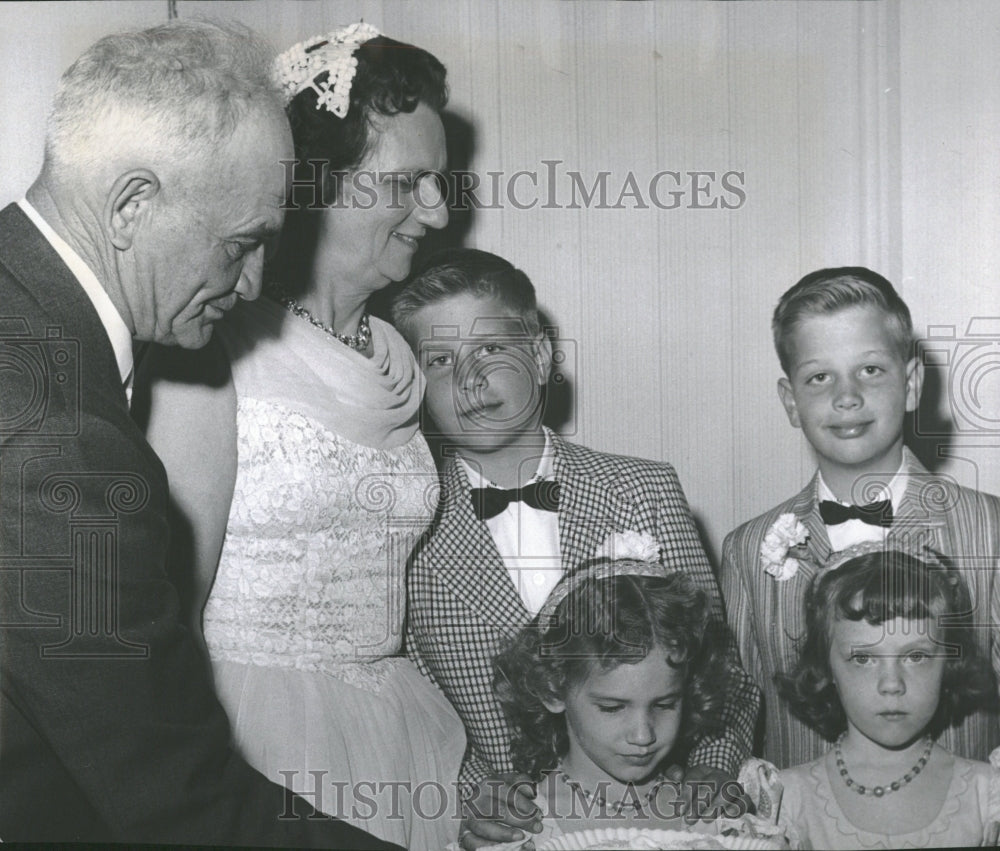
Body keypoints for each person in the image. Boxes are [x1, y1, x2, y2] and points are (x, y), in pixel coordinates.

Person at [0, 20, 397, 848]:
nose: (253, 282)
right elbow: (183, 805)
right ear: (132, 205)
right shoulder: (58, 443)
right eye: (242, 244)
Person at [139, 23, 463, 850]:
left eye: (439, 182)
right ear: (314, 185)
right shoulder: (215, 348)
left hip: (398, 730)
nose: (437, 208)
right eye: (409, 182)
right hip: (257, 736)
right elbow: (164, 608)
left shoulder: (396, 354)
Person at [391, 248, 760, 847]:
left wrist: (715, 769)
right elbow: (418, 713)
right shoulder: (410, 527)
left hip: (667, 818)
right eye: (439, 360)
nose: (469, 380)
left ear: (539, 357)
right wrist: (471, 800)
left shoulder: (643, 489)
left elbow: (725, 674)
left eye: (489, 349)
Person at [718, 267, 1000, 769]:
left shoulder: (989, 530)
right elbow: (737, 714)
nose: (845, 396)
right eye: (819, 377)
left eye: (870, 370)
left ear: (912, 385)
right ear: (790, 402)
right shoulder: (748, 550)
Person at [490, 559, 785, 849]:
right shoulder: (519, 830)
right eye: (613, 708)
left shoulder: (716, 815)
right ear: (552, 690)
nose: (643, 736)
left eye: (665, 704)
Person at [771, 547, 1000, 848]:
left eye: (916, 656)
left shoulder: (988, 796)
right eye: (864, 659)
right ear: (826, 669)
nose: (892, 684)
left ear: (949, 664)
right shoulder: (785, 801)